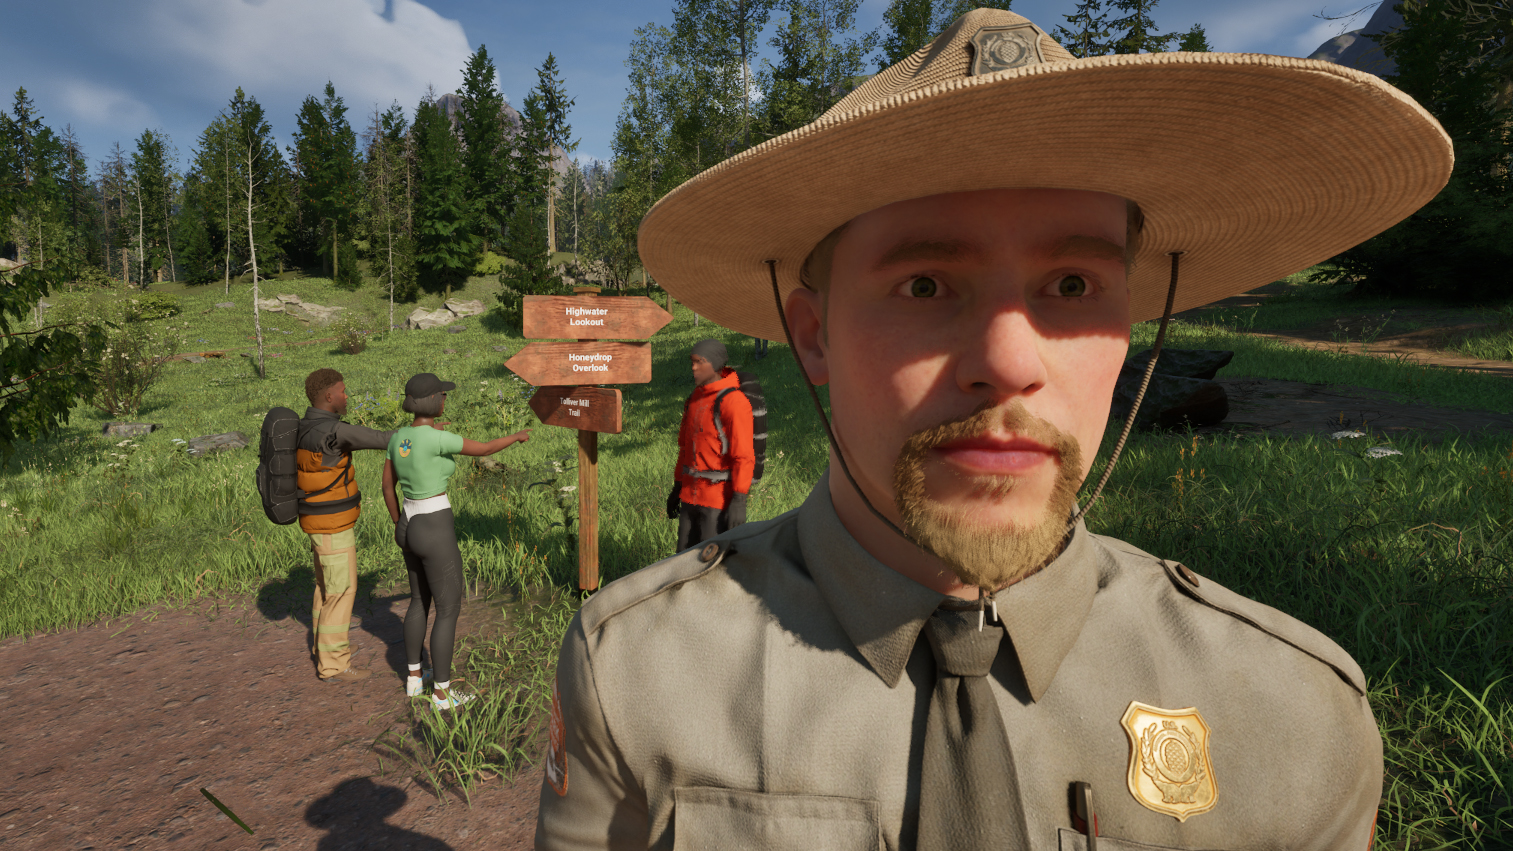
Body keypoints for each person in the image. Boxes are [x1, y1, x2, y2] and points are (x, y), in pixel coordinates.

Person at [536, 9, 1451, 851]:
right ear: (813, 335)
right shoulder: (635, 675)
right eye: (925, 284)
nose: (1009, 360)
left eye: (1072, 286)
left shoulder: (1291, 716)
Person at [380, 372, 531, 710]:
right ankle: (443, 694)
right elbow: (486, 448)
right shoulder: (440, 439)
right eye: (442, 395)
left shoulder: (398, 438)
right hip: (434, 525)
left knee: (419, 601)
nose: (446, 400)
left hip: (408, 521)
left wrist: (397, 523)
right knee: (448, 608)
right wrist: (517, 436)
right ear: (433, 401)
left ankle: (414, 678)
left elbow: (387, 486)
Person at [298, 368, 396, 683]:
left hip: (315, 521)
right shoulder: (333, 432)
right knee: (341, 591)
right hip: (333, 524)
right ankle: (334, 665)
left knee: (326, 588)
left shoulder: (303, 426)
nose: (347, 396)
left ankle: (322, 651)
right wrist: (423, 433)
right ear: (329, 396)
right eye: (343, 390)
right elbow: (384, 439)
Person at [665, 338, 754, 552]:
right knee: (681, 561)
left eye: (700, 362)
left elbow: (743, 456)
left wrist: (739, 500)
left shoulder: (734, 402)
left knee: (710, 565)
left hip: (717, 500)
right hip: (689, 496)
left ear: (714, 364)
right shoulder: (694, 399)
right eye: (692, 362)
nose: (693, 367)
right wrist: (677, 486)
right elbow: (684, 448)